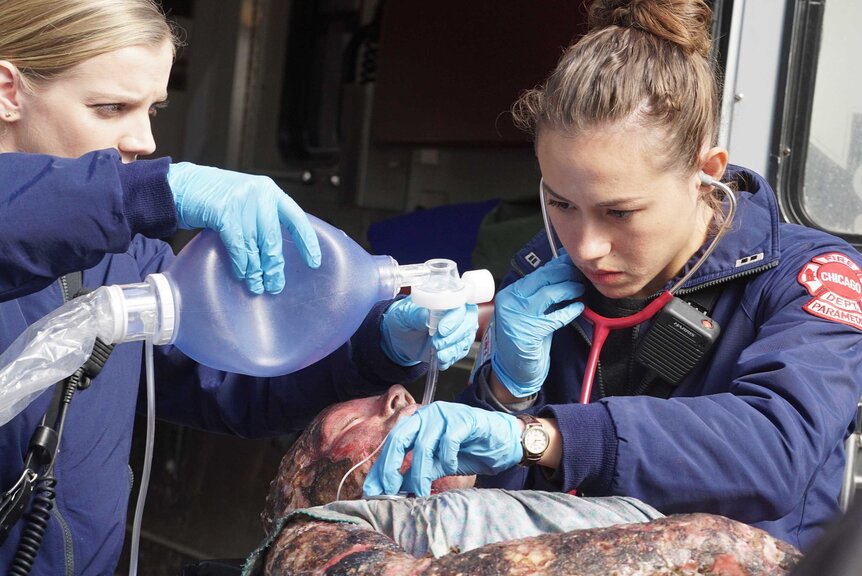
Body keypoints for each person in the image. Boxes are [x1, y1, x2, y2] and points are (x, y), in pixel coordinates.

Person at [364, 0, 862, 552]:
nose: (586, 246)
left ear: (707, 174)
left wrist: (546, 437)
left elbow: (776, 449)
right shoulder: (539, 270)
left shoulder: (811, 276)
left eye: (619, 212)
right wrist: (505, 395)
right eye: (561, 203)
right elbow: (487, 509)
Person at [0, 0, 478, 573]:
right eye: (111, 108)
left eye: (152, 108)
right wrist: (143, 194)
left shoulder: (127, 262)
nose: (145, 141)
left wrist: (376, 347)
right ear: (8, 91)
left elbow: (232, 380)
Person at [245, 385, 801, 575]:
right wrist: (708, 548)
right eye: (348, 422)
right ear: (302, 490)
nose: (401, 396)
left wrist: (520, 422)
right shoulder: (310, 536)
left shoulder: (496, 504)